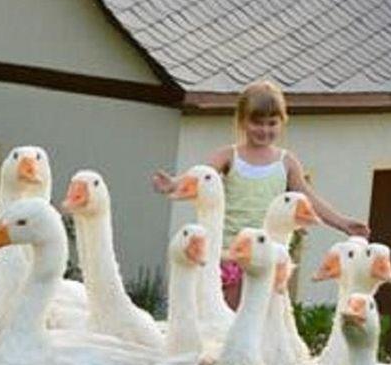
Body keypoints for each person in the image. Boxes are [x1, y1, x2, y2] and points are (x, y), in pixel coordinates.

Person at [152, 78, 368, 304]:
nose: (264, 130)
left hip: (267, 255)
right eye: (257, 123)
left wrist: (343, 223)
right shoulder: (229, 156)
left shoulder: (286, 162)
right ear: (243, 121)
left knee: (263, 312)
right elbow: (200, 177)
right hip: (230, 255)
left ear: (282, 122)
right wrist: (173, 184)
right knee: (228, 313)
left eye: (271, 123)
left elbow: (308, 199)